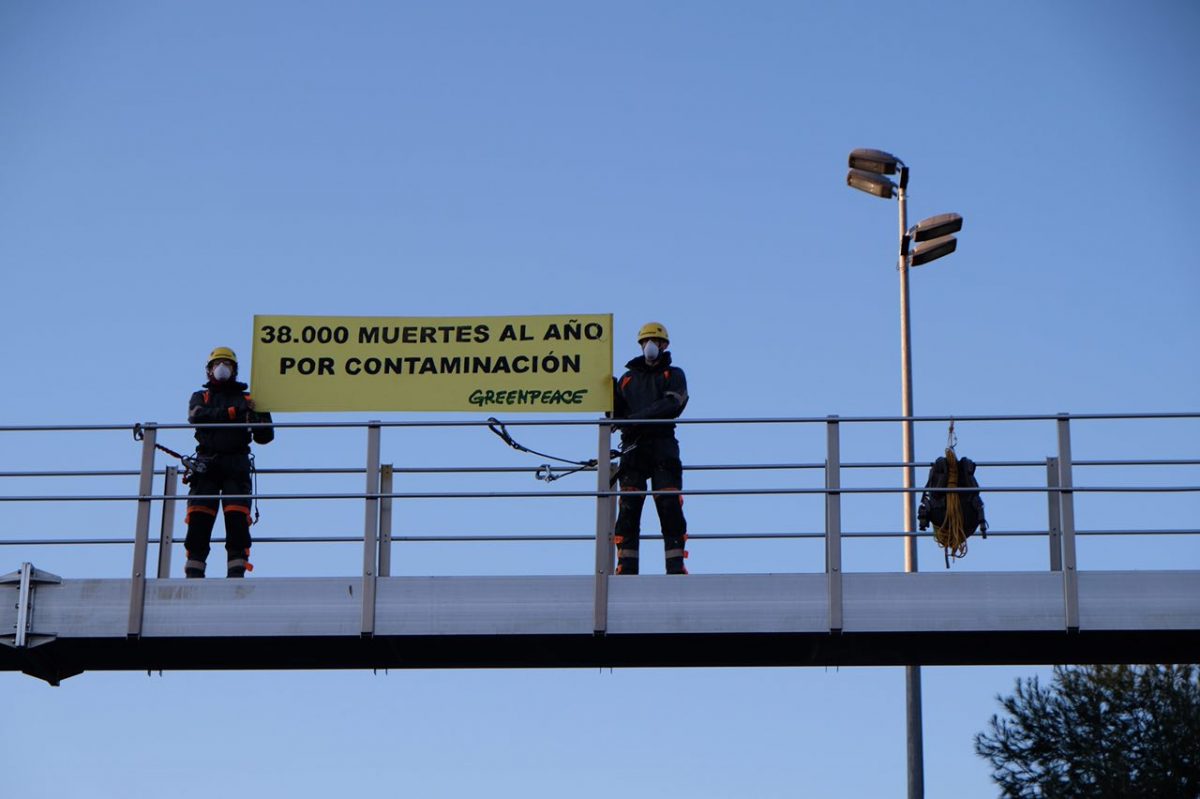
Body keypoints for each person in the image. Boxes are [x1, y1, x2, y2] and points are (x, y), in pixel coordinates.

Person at [183, 347, 274, 578]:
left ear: (234, 369)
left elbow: (265, 437)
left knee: (237, 519)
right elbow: (197, 416)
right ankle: (194, 572)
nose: (221, 368)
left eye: (227, 363)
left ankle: (236, 573)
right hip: (207, 464)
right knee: (199, 518)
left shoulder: (249, 399)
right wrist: (235, 412)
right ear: (209, 370)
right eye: (217, 364)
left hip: (236, 464)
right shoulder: (200, 397)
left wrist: (259, 414)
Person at [611, 322, 690, 575]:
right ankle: (626, 566)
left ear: (664, 345)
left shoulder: (674, 374)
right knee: (629, 506)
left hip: (662, 445)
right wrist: (608, 397)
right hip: (633, 449)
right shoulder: (627, 379)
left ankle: (675, 566)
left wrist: (636, 418)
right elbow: (616, 415)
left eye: (655, 341)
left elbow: (672, 404)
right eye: (646, 341)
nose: (651, 346)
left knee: (668, 504)